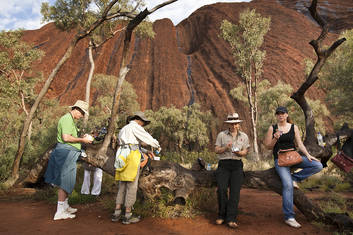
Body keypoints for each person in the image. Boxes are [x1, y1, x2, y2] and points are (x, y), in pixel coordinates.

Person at [264, 106, 323, 228]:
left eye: (283, 113)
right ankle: (289, 217)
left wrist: (308, 155)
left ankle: (295, 178)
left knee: (318, 165)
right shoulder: (272, 128)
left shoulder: (293, 127)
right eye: (278, 114)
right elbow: (268, 146)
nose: (280, 115)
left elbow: (300, 144)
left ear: (286, 115)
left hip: (294, 157)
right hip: (280, 160)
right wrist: (275, 138)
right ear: (276, 116)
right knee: (287, 185)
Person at [44, 100, 93, 220]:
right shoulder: (66, 119)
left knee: (68, 180)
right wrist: (83, 140)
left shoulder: (71, 120)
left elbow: (70, 136)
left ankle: (65, 206)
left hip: (69, 154)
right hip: (65, 154)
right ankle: (59, 212)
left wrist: (81, 138)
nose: (82, 116)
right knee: (64, 181)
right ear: (77, 109)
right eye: (82, 113)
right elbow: (66, 137)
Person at [111, 111, 160, 224]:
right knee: (131, 185)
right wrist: (157, 145)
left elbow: (130, 144)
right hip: (131, 157)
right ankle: (127, 215)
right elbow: (148, 138)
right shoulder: (135, 127)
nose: (143, 125)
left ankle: (116, 213)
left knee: (122, 185)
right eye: (143, 122)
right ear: (139, 120)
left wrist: (145, 151)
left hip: (121, 156)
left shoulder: (124, 129)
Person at [214, 113, 250, 229]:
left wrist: (239, 153)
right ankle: (221, 216)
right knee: (221, 189)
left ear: (238, 124)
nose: (234, 126)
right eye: (231, 124)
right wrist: (225, 148)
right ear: (228, 124)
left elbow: (245, 152)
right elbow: (216, 150)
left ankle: (231, 218)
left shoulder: (244, 136)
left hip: (237, 165)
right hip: (223, 164)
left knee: (235, 192)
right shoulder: (221, 135)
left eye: (235, 123)